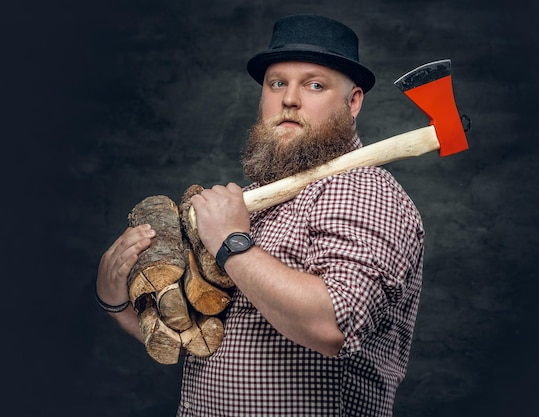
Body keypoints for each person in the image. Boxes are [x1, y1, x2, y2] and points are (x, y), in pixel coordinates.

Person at [96, 14, 424, 417]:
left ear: (353, 101)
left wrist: (231, 243)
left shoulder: (362, 190)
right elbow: (190, 337)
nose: (289, 99)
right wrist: (114, 299)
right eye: (277, 83)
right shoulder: (250, 201)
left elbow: (332, 326)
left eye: (315, 84)